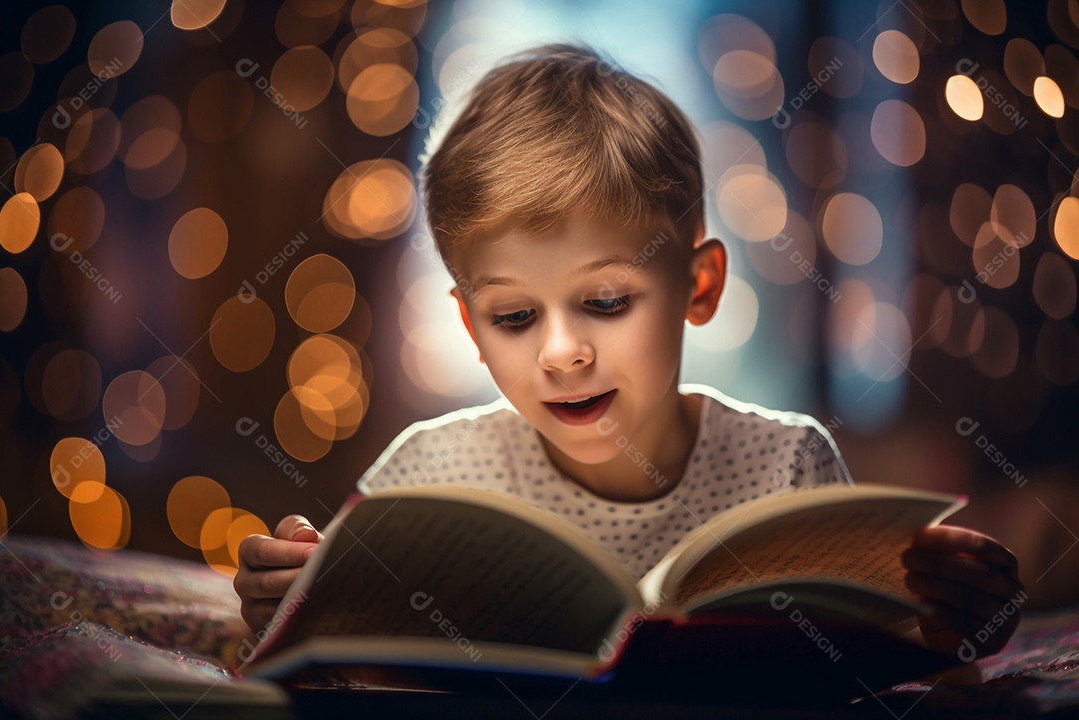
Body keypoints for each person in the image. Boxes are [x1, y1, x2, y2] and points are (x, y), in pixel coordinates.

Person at [235, 44, 1024, 662]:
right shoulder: (426, 475)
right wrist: (292, 603)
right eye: (513, 317)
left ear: (699, 286)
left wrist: (953, 623)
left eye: (607, 302)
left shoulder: (788, 468)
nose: (561, 353)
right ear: (471, 328)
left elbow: (869, 662)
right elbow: (342, 659)